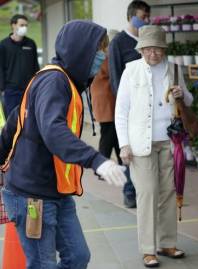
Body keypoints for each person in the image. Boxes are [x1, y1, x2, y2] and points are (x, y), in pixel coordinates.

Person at [0, 20, 127, 269]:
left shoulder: (64, 81)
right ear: (80, 50)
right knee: (42, 264)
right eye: (98, 50)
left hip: (56, 192)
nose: (101, 57)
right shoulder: (54, 82)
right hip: (32, 196)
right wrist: (96, 160)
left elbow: (16, 120)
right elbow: (53, 130)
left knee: (78, 256)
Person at [115, 25, 193, 268]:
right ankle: (148, 249)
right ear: (141, 49)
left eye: (157, 49)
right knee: (147, 193)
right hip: (140, 143)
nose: (153, 54)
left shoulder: (174, 70)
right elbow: (121, 111)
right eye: (148, 49)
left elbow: (189, 101)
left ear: (163, 49)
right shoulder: (131, 71)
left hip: (170, 141)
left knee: (169, 192)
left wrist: (182, 95)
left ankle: (167, 243)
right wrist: (124, 145)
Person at [109, 0, 150, 208]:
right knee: (127, 151)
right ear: (130, 17)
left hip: (148, 108)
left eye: (147, 17)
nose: (146, 21)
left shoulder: (147, 39)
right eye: (142, 17)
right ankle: (129, 191)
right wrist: (124, 106)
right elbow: (115, 77)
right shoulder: (118, 42)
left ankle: (144, 190)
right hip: (130, 108)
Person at [90, 29, 122, 168]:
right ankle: (101, 166)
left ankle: (122, 162)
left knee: (114, 134)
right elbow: (113, 73)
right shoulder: (105, 57)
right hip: (106, 101)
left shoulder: (99, 55)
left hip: (105, 100)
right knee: (108, 135)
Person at [0, 14, 39, 117]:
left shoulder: (31, 44)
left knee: (28, 120)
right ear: (13, 25)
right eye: (22, 25)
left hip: (29, 90)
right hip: (11, 91)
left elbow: (35, 66)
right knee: (12, 121)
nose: (24, 28)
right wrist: (3, 88)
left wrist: (36, 85)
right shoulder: (3, 45)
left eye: (26, 25)